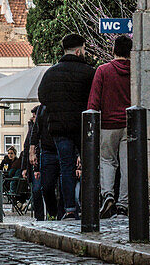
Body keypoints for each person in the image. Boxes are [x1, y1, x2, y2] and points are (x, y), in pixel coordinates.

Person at [37, 33, 95, 220]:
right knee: (89, 166)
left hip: (59, 129)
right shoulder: (89, 72)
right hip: (83, 128)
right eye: (84, 49)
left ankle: (69, 208)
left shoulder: (50, 73)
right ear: (78, 51)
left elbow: (43, 99)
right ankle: (89, 206)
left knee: (66, 168)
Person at [89, 34, 133, 218]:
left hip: (108, 124)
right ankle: (123, 204)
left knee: (107, 161)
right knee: (127, 164)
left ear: (113, 50)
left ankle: (107, 195)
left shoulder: (103, 70)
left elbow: (94, 100)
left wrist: (91, 121)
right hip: (130, 124)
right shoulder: (136, 70)